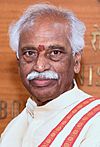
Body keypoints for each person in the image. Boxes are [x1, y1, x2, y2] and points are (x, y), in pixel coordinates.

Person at [0, 3, 100, 147]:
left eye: (55, 53)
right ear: (19, 62)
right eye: (29, 53)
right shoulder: (13, 128)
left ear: (76, 62)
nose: (40, 66)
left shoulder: (94, 121)